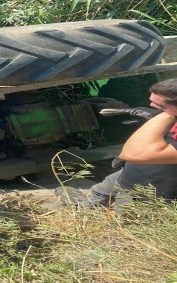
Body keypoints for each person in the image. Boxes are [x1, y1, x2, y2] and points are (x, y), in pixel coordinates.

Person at [58, 79, 177, 207]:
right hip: (125, 177)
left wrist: (162, 117)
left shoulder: (167, 116)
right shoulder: (171, 116)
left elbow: (133, 153)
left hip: (147, 194)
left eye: (160, 106)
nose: (152, 106)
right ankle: (83, 205)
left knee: (115, 221)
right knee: (94, 200)